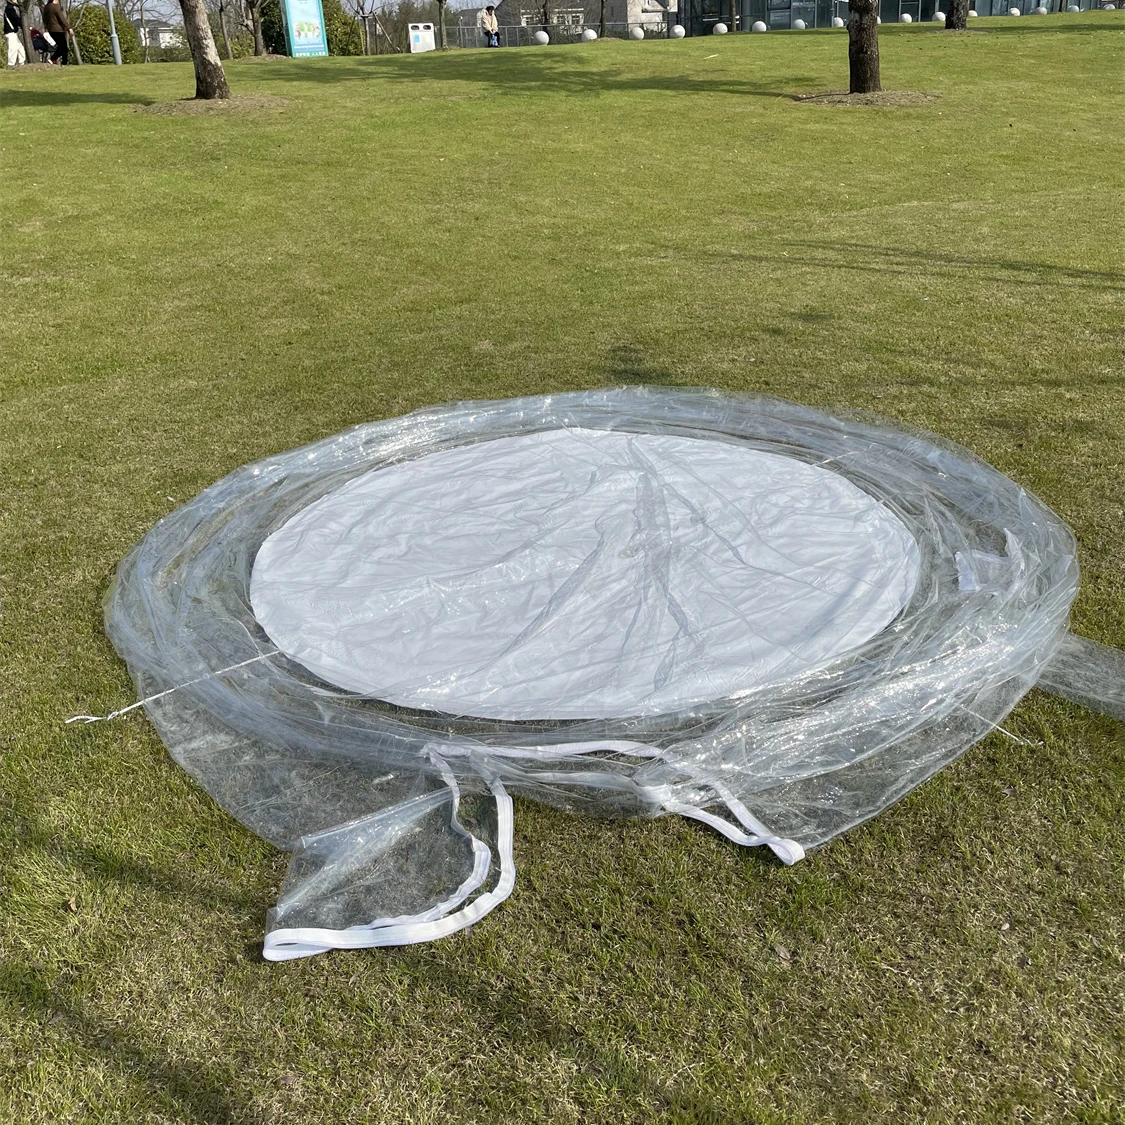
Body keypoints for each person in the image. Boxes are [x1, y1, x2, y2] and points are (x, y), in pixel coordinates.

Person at [4, 0, 26, 67]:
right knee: (13, 49)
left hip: (12, 33)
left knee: (20, 47)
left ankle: (21, 63)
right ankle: (11, 65)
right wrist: (23, 25)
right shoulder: (10, 9)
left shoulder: (10, 8)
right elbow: (16, 19)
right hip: (10, 32)